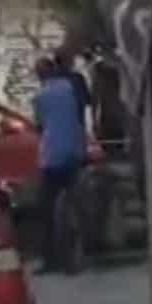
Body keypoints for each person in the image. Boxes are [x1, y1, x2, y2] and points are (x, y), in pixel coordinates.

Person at [33, 57, 87, 272]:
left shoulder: (40, 97)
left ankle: (50, 260)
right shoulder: (70, 88)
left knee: (46, 209)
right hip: (75, 151)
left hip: (52, 155)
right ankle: (79, 251)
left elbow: (39, 126)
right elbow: (81, 114)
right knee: (75, 203)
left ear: (39, 76)